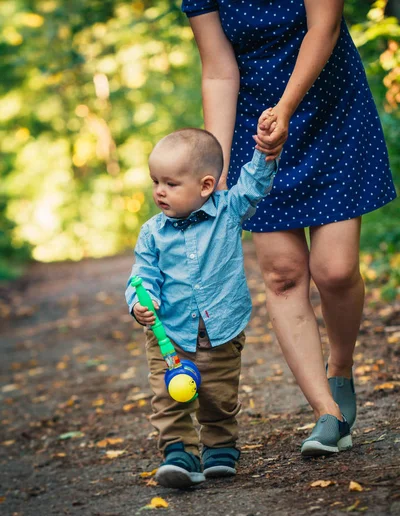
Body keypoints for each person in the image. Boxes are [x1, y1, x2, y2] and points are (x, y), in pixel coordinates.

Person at [181, 0, 397, 457]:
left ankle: (340, 368)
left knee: (335, 270)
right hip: (255, 129)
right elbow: (219, 71)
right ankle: (327, 413)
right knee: (282, 274)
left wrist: (286, 108)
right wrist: (215, 163)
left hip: (329, 108)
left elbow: (326, 26)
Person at [125, 127, 279, 488]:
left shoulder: (228, 210)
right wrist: (141, 302)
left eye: (171, 184)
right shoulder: (152, 232)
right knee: (168, 397)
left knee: (218, 394)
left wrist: (265, 151)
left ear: (206, 185)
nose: (159, 191)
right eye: (155, 182)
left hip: (220, 328)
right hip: (169, 334)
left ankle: (220, 445)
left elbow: (254, 184)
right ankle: (179, 451)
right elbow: (142, 275)